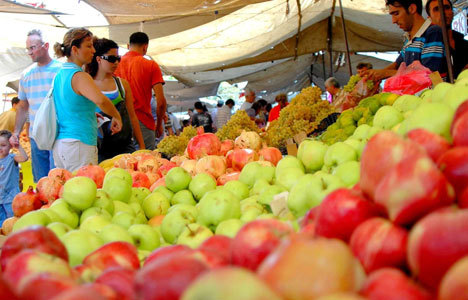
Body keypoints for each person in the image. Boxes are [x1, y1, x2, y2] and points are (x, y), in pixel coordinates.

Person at [52, 28, 122, 172]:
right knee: (83, 190)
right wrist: (117, 115)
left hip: (62, 144)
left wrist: (89, 114)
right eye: (89, 46)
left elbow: (69, 106)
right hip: (79, 144)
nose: (93, 50)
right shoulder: (79, 76)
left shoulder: (60, 74)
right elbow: (101, 101)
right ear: (75, 49)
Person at [10, 29, 62, 183]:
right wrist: (16, 132)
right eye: (28, 49)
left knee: (56, 179)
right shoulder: (26, 74)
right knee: (40, 180)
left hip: (57, 133)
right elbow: (22, 106)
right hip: (35, 135)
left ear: (45, 46)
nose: (30, 52)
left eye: (33, 47)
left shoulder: (60, 70)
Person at [86, 38, 145, 162]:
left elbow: (132, 116)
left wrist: (141, 145)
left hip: (124, 145)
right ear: (98, 59)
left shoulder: (122, 84)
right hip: (99, 147)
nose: (116, 63)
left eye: (118, 58)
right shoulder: (87, 84)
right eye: (112, 59)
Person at [364, 0, 447, 81]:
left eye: (396, 13)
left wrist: (386, 73)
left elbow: (428, 74)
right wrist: (375, 74)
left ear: (412, 9)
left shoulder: (433, 32)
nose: (393, 21)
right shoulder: (409, 37)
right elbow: (397, 63)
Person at [115, 32, 167, 150]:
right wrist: (159, 125)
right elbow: (161, 102)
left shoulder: (115, 64)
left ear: (128, 46)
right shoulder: (151, 65)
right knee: (146, 162)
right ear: (145, 47)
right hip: (143, 121)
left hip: (120, 121)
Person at [426, 0, 468, 78]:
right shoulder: (426, 48)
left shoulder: (465, 44)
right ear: (429, 18)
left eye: (446, 8)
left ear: (452, 13)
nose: (443, 12)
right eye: (436, 9)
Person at [0, 130, 28, 226]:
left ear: (10, 146)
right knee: (2, 224)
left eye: (3, 145)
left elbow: (24, 158)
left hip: (11, 197)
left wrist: (18, 147)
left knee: (13, 221)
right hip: (0, 197)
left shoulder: (12, 158)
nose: (0, 148)